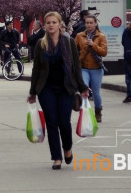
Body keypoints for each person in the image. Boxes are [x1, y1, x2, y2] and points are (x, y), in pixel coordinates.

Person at [27, 12, 89, 170]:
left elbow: (76, 67)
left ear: (60, 24)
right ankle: (56, 157)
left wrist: (82, 87)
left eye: (54, 22)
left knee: (64, 122)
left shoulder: (68, 43)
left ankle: (67, 148)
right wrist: (33, 91)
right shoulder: (41, 44)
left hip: (65, 88)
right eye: (48, 22)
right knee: (52, 122)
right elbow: (37, 69)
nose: (51, 25)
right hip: (46, 89)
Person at [75, 15, 107, 123]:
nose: (89, 25)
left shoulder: (101, 36)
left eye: (91, 23)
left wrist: (93, 45)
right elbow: (74, 49)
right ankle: (84, 112)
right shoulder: (80, 36)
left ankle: (98, 111)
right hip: (83, 68)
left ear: (95, 24)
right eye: (87, 23)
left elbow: (104, 52)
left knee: (96, 92)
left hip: (96, 68)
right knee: (84, 90)